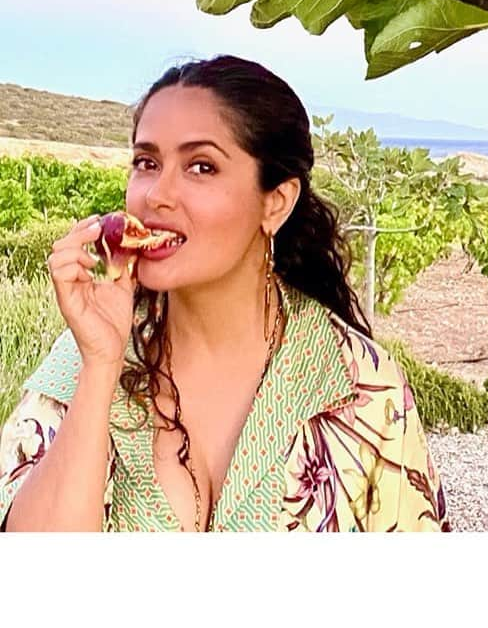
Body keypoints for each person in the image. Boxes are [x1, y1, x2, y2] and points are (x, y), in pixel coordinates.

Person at [0, 55, 450, 532]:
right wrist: (101, 366)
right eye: (146, 162)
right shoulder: (84, 356)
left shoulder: (359, 384)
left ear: (275, 202)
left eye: (201, 167)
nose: (156, 195)